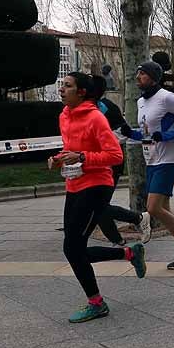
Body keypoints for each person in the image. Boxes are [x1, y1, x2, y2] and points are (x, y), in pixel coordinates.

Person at [51, 72, 146, 323]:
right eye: (62, 86)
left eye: (67, 86)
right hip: (74, 184)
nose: (62, 90)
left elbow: (115, 156)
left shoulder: (95, 118)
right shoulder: (64, 116)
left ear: (82, 92)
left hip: (96, 185)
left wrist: (82, 157)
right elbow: (70, 149)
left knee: (72, 247)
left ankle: (97, 302)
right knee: (74, 248)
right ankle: (129, 254)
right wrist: (59, 158)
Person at [119, 60, 174, 270]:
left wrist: (166, 135)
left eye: (143, 74)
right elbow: (149, 134)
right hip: (151, 159)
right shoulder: (140, 102)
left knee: (153, 208)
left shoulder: (167, 97)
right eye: (137, 73)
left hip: (169, 159)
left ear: (154, 78)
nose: (138, 77)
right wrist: (132, 134)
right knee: (164, 209)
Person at [93, 75, 151, 246]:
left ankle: (137, 219)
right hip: (90, 163)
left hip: (110, 162)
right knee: (97, 206)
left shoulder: (106, 107)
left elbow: (123, 130)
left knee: (98, 206)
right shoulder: (80, 109)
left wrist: (101, 143)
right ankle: (119, 241)